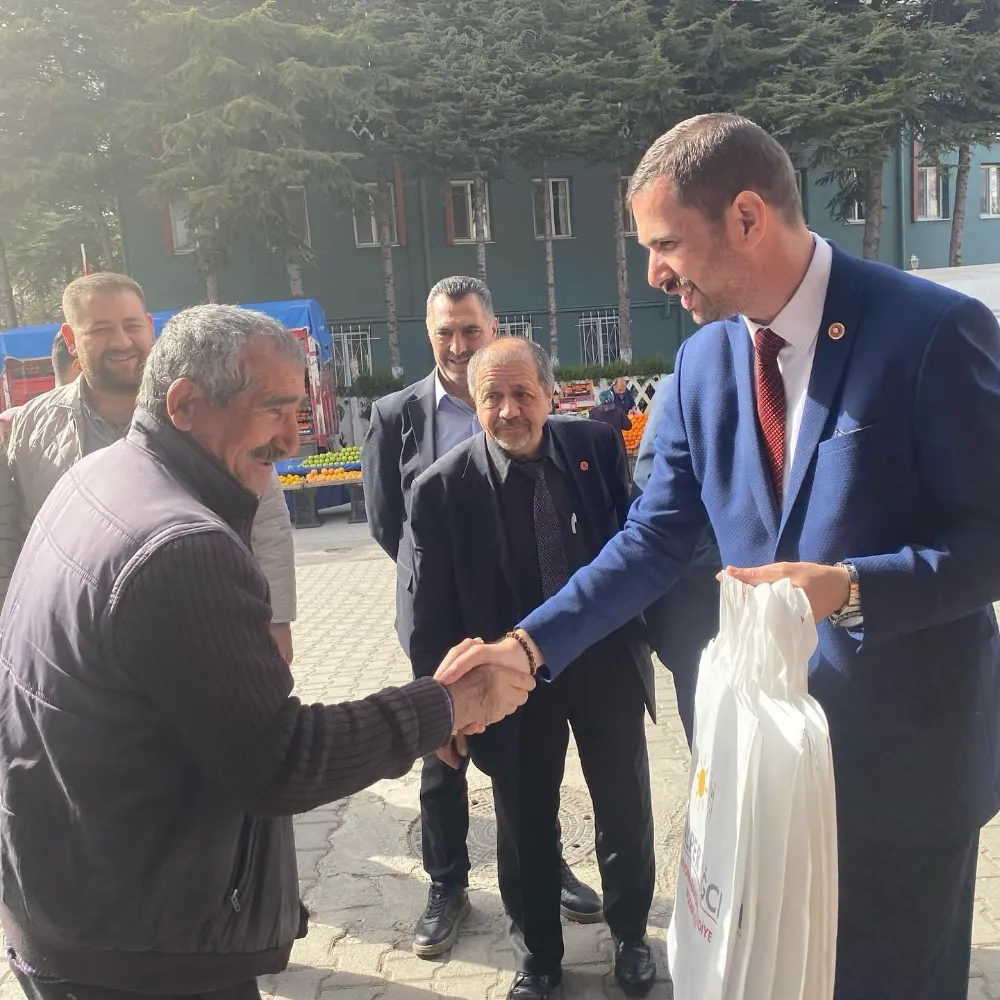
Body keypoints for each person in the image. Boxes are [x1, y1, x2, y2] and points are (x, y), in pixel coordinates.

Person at [437, 114, 1000, 1000]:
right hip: (760, 766)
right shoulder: (703, 364)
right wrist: (528, 649)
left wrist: (854, 588)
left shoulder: (930, 331)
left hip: (904, 763)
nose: (655, 274)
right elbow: (654, 537)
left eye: (665, 245)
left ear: (746, 217)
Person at [0, 304, 534, 1000]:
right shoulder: (180, 547)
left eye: (299, 410)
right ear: (185, 404)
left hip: (72, 902)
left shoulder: (99, 476)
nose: (291, 437)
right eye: (275, 409)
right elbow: (282, 761)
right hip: (138, 951)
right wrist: (449, 703)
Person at [409, 337, 657, 1000]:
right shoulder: (442, 489)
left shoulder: (596, 448)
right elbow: (430, 614)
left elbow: (637, 547)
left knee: (625, 807)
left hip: (604, 662)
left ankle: (631, 936)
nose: (509, 410)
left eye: (523, 393)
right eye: (493, 396)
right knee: (524, 822)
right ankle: (539, 958)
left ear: (551, 394)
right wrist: (439, 708)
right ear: (473, 401)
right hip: (508, 683)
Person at [363, 276, 599, 957]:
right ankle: (447, 885)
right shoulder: (396, 414)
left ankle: (544, 865)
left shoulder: (519, 397)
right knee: (443, 752)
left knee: (528, 757)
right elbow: (387, 520)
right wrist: (444, 589)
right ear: (429, 335)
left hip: (525, 622)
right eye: (446, 332)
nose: (459, 344)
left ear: (494, 330)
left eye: (471, 330)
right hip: (442, 621)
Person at [0, 273, 296, 661]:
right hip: (81, 646)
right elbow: (13, 537)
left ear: (150, 326)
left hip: (204, 629)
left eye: (131, 325)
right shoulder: (33, 426)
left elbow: (266, 519)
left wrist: (277, 621)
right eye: (101, 330)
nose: (122, 342)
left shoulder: (204, 409)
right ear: (70, 339)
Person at [632, 374, 720, 747]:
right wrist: (719, 562)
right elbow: (653, 490)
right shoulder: (686, 381)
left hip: (786, 605)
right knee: (710, 744)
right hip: (701, 604)